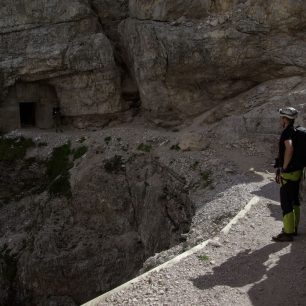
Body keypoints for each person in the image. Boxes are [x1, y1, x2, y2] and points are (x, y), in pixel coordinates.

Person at [273, 107, 303, 242]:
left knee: (286, 202)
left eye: (282, 118)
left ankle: (288, 232)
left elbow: (289, 148)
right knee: (294, 200)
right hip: (298, 171)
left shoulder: (287, 133)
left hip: (289, 173)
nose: (281, 120)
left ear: (285, 119)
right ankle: (294, 228)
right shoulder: (297, 131)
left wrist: (283, 168)